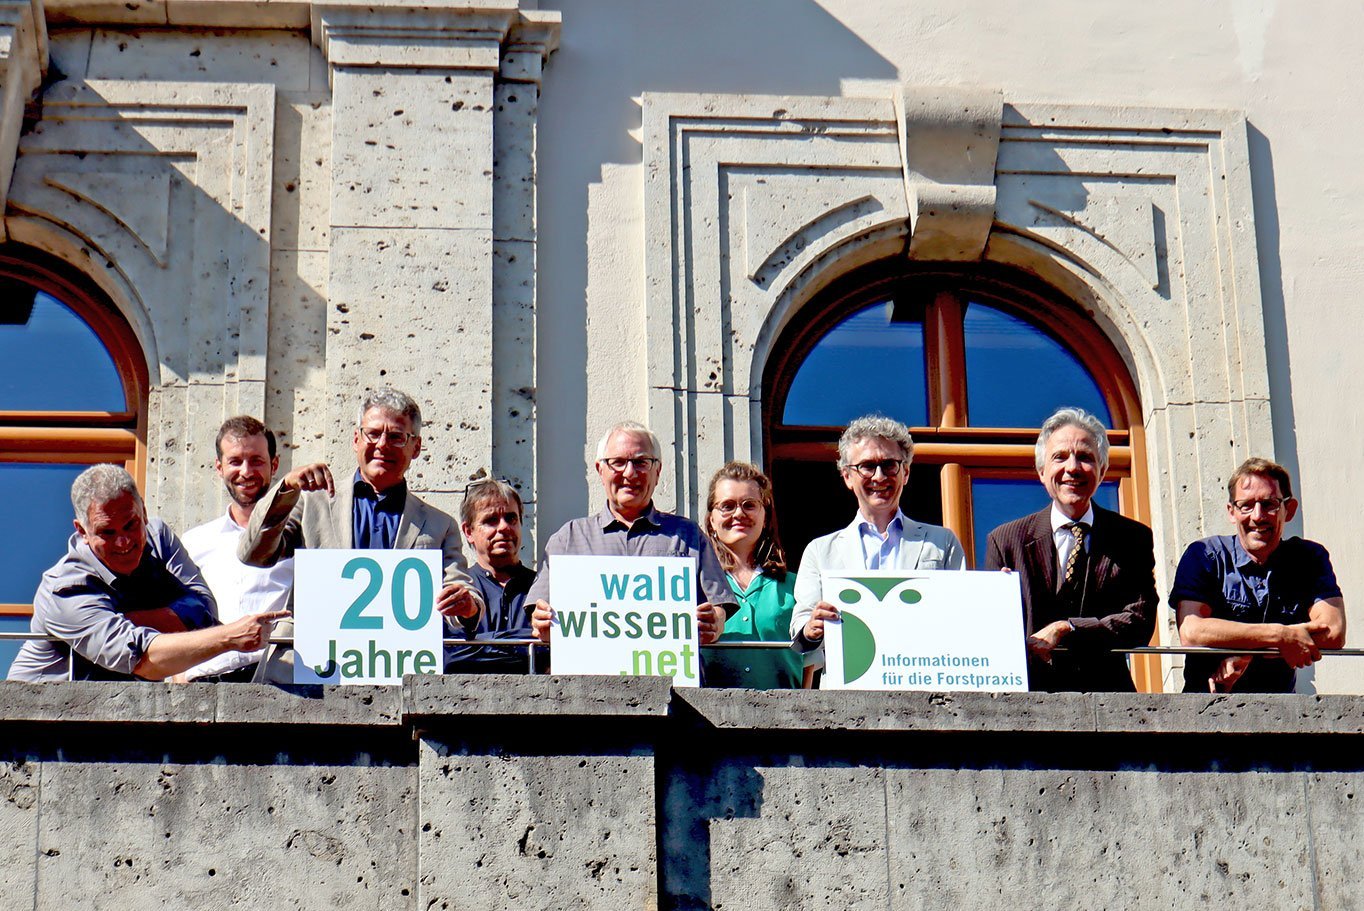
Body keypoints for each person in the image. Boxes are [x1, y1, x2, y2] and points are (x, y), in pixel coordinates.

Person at [239, 388, 482, 680]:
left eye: (396, 437)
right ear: (356, 439)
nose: (382, 445)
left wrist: (467, 607)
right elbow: (253, 553)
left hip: (396, 669)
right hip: (308, 669)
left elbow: (461, 592)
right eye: (373, 434)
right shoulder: (311, 502)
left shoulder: (439, 524)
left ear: (415, 447)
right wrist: (286, 489)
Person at [8, 465, 284, 682]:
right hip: (35, 720)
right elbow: (145, 661)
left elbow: (204, 613)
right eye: (107, 532)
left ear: (143, 509)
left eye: (131, 525)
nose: (123, 542)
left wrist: (126, 622)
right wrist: (229, 637)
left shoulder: (159, 538)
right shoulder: (65, 588)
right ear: (82, 531)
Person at [984, 407, 1158, 692]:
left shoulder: (1131, 538)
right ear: (1042, 472)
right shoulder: (1005, 541)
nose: (1073, 468)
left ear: (1102, 471)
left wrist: (1069, 627)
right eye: (1060, 457)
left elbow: (1139, 621)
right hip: (1028, 702)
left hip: (1108, 700)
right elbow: (992, 635)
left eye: (1085, 457)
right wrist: (999, 605)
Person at [529, 421, 735, 647]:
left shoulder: (688, 536)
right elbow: (538, 614)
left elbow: (719, 608)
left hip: (668, 668)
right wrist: (542, 623)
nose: (629, 473)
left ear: (657, 471)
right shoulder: (568, 539)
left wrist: (715, 622)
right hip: (591, 669)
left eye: (641, 462)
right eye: (617, 462)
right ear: (600, 470)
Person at [790, 415, 965, 660]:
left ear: (905, 472)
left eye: (889, 464)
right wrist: (812, 628)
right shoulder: (820, 551)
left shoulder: (942, 542)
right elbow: (800, 628)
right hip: (850, 678)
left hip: (922, 674)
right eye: (867, 466)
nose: (879, 476)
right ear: (847, 476)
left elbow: (962, 615)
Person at [1173, 457, 1345, 693]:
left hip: (1282, 709)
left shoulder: (1309, 559)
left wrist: (1249, 652)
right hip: (1205, 706)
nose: (1258, 516)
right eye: (1246, 505)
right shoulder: (1205, 555)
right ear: (1231, 512)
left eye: (1269, 504)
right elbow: (1192, 631)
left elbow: (1333, 631)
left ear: (1289, 510)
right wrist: (1279, 635)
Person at [177, 416, 293, 682]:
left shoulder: (296, 539)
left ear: (274, 465)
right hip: (202, 683)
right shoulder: (194, 542)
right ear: (219, 467)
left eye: (256, 461)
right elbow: (178, 615)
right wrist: (176, 674)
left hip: (275, 682)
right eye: (235, 461)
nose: (246, 471)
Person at [701, 461, 803, 689]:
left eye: (749, 505)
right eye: (727, 506)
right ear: (711, 519)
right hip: (706, 711)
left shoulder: (795, 586)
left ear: (765, 516)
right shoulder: (695, 586)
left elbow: (811, 663)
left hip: (786, 710)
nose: (739, 513)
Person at [445, 478, 542, 674]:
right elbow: (450, 658)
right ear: (468, 531)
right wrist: (525, 644)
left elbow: (551, 654)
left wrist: (482, 643)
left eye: (511, 518)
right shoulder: (458, 591)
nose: (504, 527)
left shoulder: (543, 587)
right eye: (491, 520)